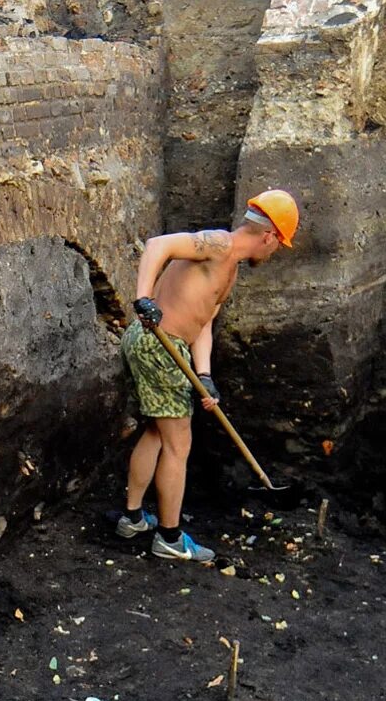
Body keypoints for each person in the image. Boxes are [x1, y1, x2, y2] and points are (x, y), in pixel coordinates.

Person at [117, 190, 300, 563]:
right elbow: (157, 245)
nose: (274, 253)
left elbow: (203, 323)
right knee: (178, 445)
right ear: (268, 236)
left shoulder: (229, 266)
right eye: (278, 246)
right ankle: (169, 538)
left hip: (163, 345)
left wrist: (205, 375)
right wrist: (143, 298)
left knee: (157, 431)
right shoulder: (218, 244)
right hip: (159, 342)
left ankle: (133, 518)